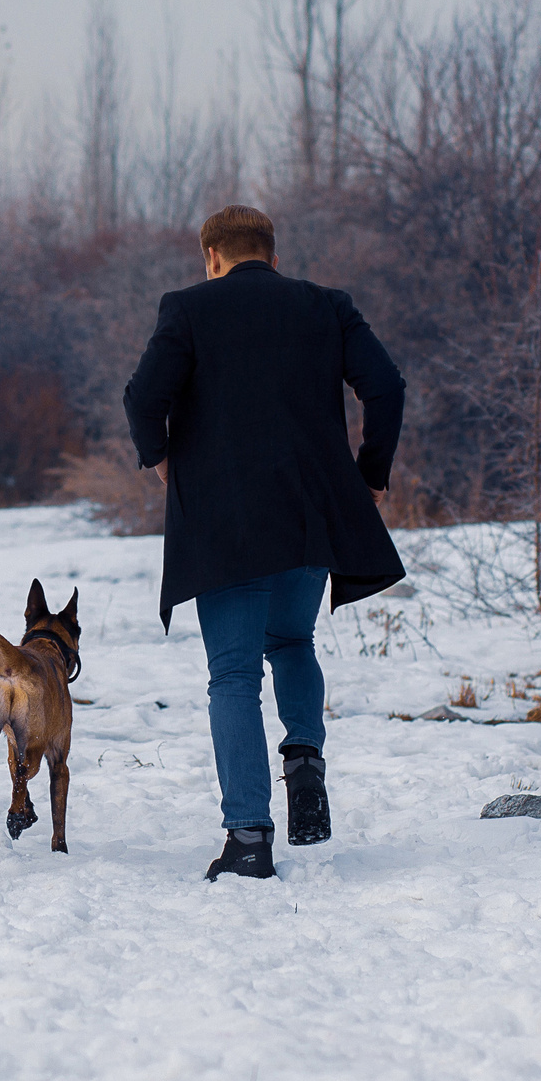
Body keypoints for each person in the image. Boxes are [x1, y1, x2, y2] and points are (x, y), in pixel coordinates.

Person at [123, 205, 405, 881]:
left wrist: (161, 458)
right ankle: (304, 761)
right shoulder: (326, 305)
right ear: (273, 257)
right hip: (310, 517)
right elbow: (386, 386)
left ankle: (249, 837)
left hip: (224, 525)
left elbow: (141, 398)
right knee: (293, 643)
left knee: (234, 677)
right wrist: (370, 475)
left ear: (211, 257)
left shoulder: (187, 308)